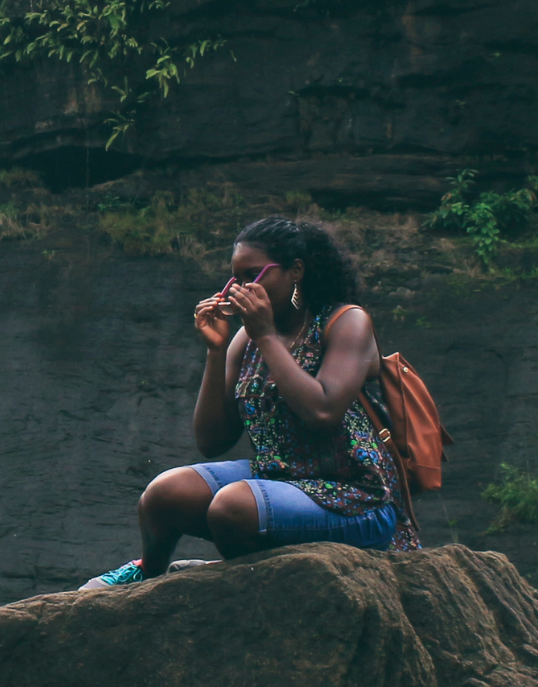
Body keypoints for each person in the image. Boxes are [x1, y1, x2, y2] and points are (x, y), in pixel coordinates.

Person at [88, 215, 416, 588]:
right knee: (165, 494)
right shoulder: (245, 339)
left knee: (233, 507)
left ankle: (234, 577)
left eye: (252, 275)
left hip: (356, 498)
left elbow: (323, 411)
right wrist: (215, 351)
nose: (238, 288)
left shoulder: (345, 322)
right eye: (235, 278)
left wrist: (265, 336)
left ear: (295, 272)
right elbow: (212, 440)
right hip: (279, 477)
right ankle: (148, 573)